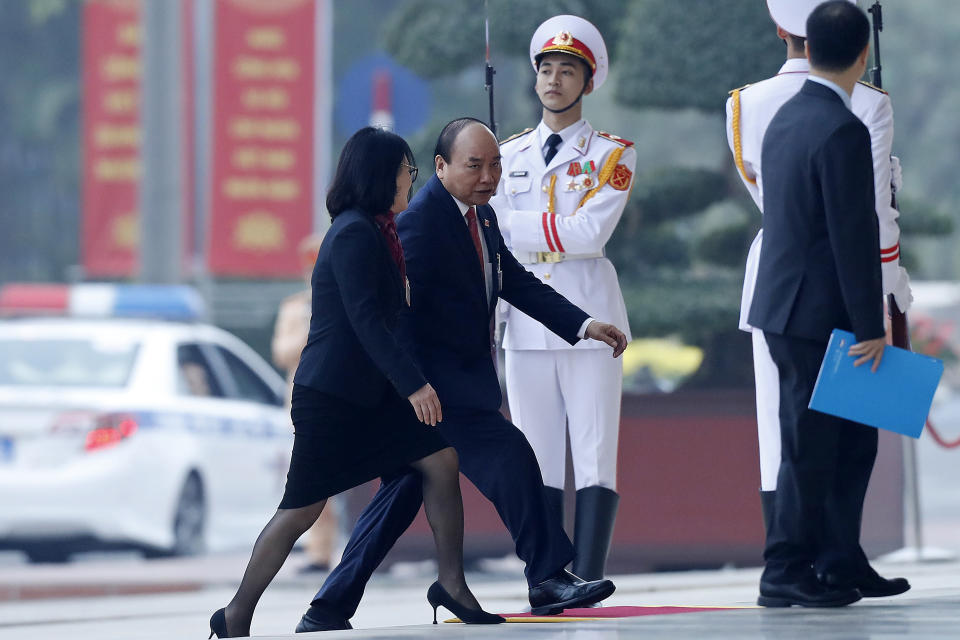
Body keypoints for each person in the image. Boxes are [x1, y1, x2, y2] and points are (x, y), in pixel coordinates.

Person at [295, 118, 627, 633]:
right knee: (512, 458)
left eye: (495, 164)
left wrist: (584, 324)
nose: (488, 175)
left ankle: (329, 607)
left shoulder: (482, 216)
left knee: (401, 495)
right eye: (475, 165)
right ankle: (547, 578)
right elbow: (391, 316)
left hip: (451, 388)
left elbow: (515, 282)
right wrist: (411, 388)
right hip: (434, 392)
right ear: (441, 167)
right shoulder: (419, 224)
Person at [209, 127, 502, 638]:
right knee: (301, 510)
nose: (409, 179)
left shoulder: (378, 229)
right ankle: (235, 614)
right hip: (332, 399)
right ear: (379, 176)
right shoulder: (351, 233)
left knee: (439, 459)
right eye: (404, 171)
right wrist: (414, 386)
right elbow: (367, 321)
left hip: (367, 395)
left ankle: (452, 586)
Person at [726, 0, 909, 599]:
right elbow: (853, 235)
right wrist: (871, 327)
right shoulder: (845, 126)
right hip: (819, 311)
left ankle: (840, 557)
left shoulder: (785, 118)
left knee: (852, 436)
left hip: (787, 304)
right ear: (863, 54)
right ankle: (784, 572)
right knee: (810, 444)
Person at [488, 14, 634, 581]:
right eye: (545, 68)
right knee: (536, 457)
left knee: (595, 453)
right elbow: (495, 227)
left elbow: (589, 235)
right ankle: (546, 575)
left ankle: (590, 573)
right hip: (524, 322)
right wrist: (550, 227)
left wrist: (512, 226)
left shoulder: (611, 155)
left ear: (587, 81)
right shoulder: (508, 153)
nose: (553, 79)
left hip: (591, 315)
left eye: (567, 70)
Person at [272, 234, 346, 575]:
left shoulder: (347, 297)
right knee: (313, 482)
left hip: (346, 398)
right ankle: (320, 554)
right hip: (306, 403)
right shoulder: (294, 307)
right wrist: (311, 326)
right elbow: (283, 353)